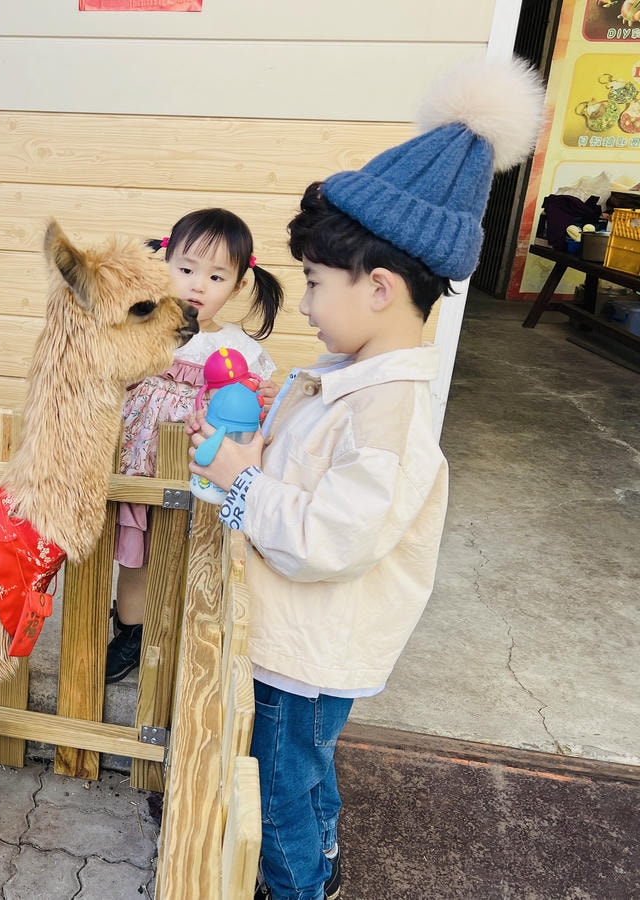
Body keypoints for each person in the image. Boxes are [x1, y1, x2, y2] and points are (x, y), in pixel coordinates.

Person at [185, 58, 544, 900]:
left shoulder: (388, 417)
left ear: (379, 288)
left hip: (304, 652)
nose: (304, 303)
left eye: (314, 283)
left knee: (279, 787)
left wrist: (243, 481)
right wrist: (257, 437)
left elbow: (330, 537)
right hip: (299, 642)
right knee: (305, 769)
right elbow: (304, 475)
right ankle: (326, 847)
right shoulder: (344, 381)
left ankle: (299, 883)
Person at [106, 207, 284, 684]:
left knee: (195, 555)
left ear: (240, 284)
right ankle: (130, 631)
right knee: (138, 555)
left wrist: (266, 398)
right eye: (185, 269)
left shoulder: (241, 350)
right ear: (165, 266)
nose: (197, 285)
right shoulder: (142, 328)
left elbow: (251, 414)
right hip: (142, 469)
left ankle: (184, 632)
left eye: (215, 276)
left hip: (202, 474)